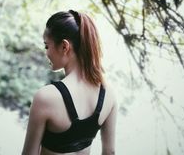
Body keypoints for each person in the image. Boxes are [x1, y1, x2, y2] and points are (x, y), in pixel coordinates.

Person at [22, 10, 117, 155]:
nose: (46, 52)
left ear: (65, 47)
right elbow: (110, 152)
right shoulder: (108, 93)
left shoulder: (46, 97)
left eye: (47, 46)